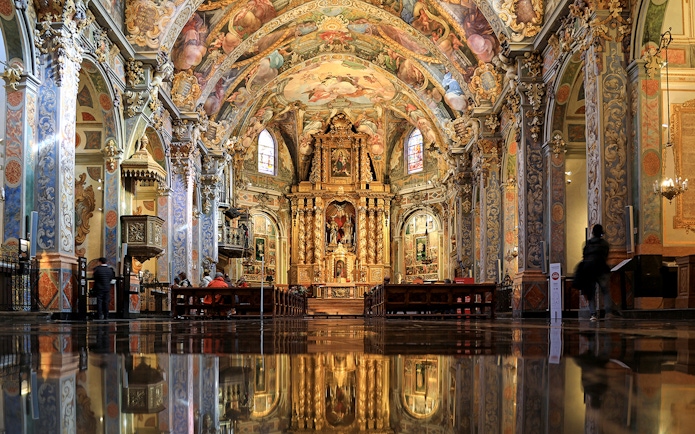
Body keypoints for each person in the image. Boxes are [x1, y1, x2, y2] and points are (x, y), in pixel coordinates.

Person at [582, 224, 622, 321]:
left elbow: (584, 256)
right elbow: (606, 256)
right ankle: (608, 313)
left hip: (590, 271)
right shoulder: (605, 244)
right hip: (602, 270)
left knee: (591, 293)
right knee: (606, 292)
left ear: (592, 232)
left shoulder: (588, 243)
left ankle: (593, 314)